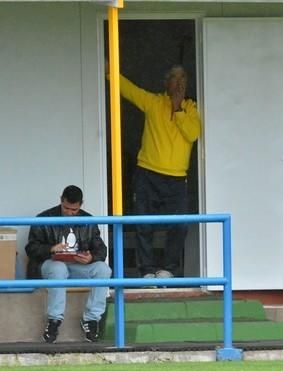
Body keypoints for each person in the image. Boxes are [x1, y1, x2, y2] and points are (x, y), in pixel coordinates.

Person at [117, 64, 201, 279]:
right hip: (148, 173)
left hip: (176, 177)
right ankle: (146, 271)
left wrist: (178, 109)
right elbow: (128, 89)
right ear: (166, 83)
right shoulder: (153, 102)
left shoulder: (192, 108)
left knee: (180, 225)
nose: (179, 82)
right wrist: (110, 71)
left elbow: (192, 134)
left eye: (183, 77)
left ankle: (169, 269)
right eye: (174, 77)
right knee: (143, 223)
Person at [25, 185, 112, 343]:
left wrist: (91, 258)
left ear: (81, 204)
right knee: (58, 269)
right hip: (50, 264)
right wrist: (51, 249)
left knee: (103, 270)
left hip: (77, 266)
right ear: (61, 200)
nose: (70, 213)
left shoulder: (88, 220)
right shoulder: (43, 219)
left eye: (74, 210)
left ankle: (91, 320)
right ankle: (54, 320)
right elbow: (31, 249)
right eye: (66, 208)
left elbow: (101, 249)